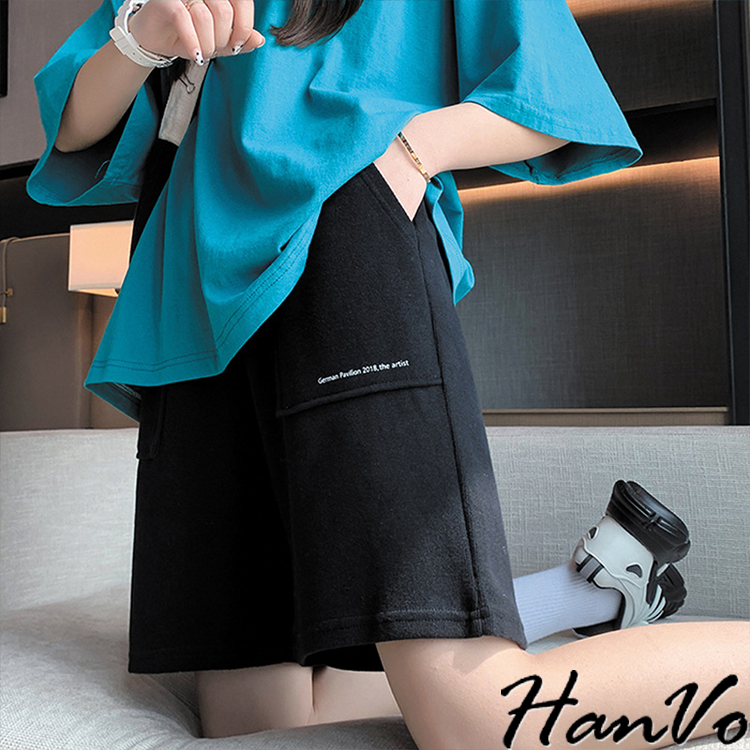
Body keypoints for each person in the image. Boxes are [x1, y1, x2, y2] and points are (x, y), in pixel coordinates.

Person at [28, 1, 748, 748]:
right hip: (190, 304)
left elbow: (555, 99)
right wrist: (143, 34)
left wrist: (408, 152)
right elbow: (74, 128)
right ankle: (587, 594)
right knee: (258, 728)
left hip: (343, 251)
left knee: (474, 722)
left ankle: (571, 604)